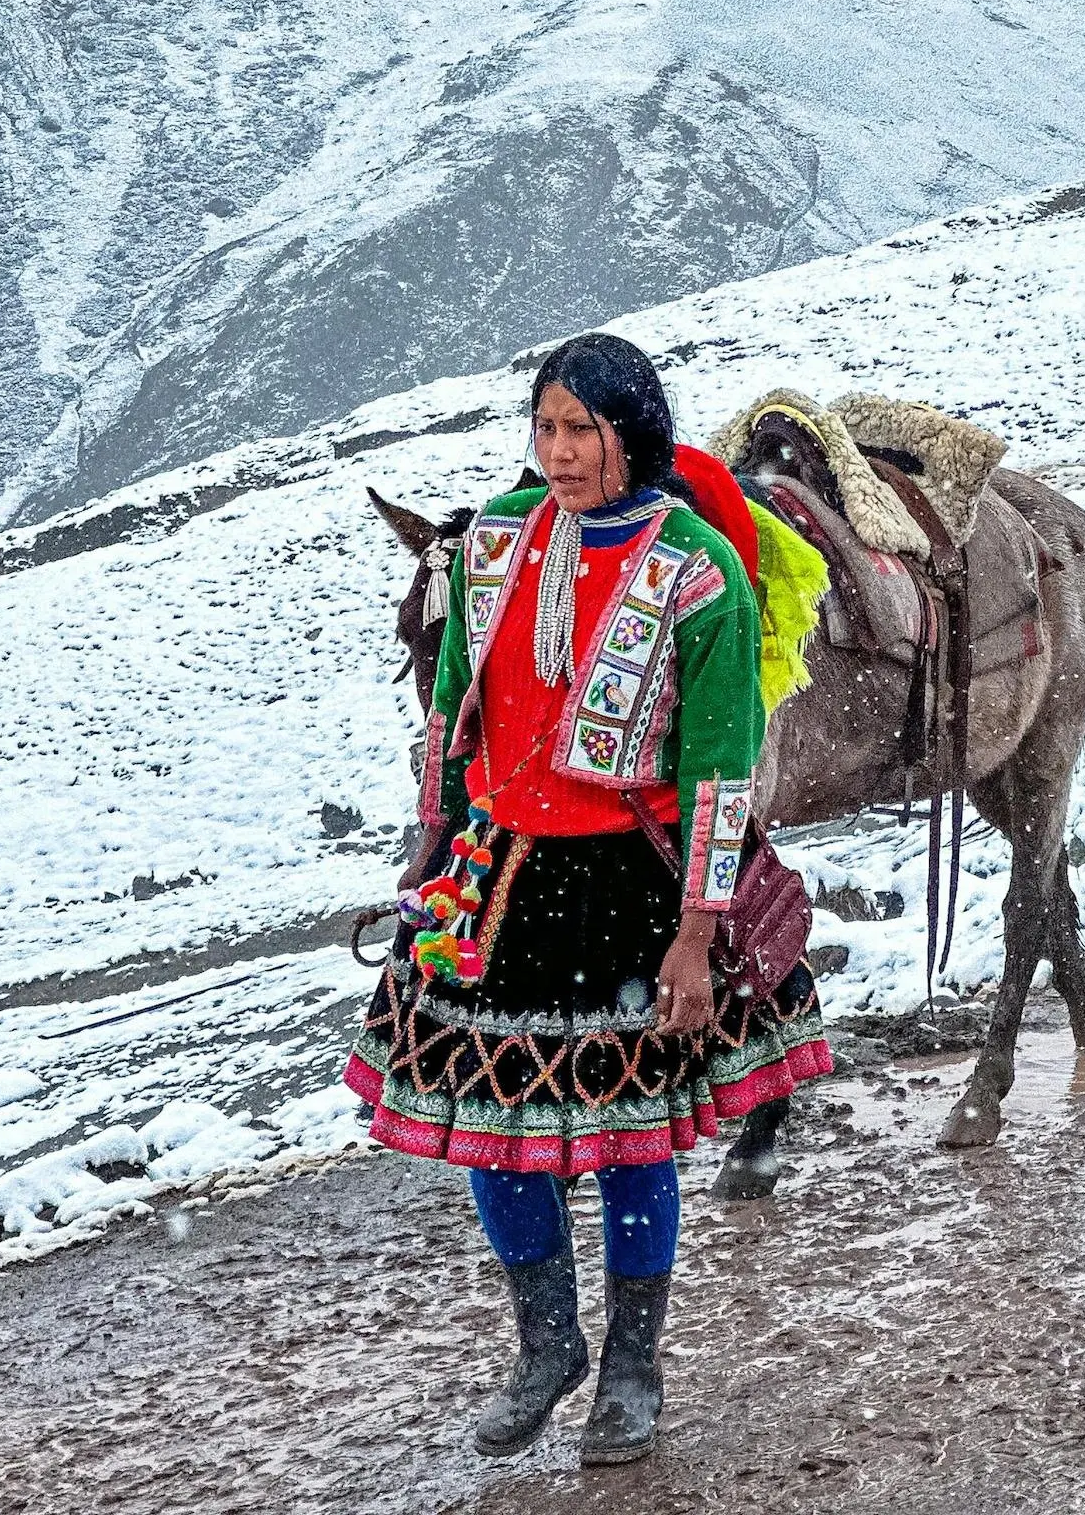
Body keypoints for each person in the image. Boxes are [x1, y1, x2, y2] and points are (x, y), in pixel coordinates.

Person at [342, 332, 832, 1464]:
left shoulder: (698, 571)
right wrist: (433, 843)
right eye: (545, 429)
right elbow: (452, 704)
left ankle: (632, 1364)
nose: (558, 454)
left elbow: (719, 765)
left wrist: (698, 938)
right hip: (497, 877)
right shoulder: (492, 548)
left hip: (630, 888)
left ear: (633, 436)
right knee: (492, 1133)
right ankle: (547, 1342)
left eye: (582, 431)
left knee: (627, 1138)